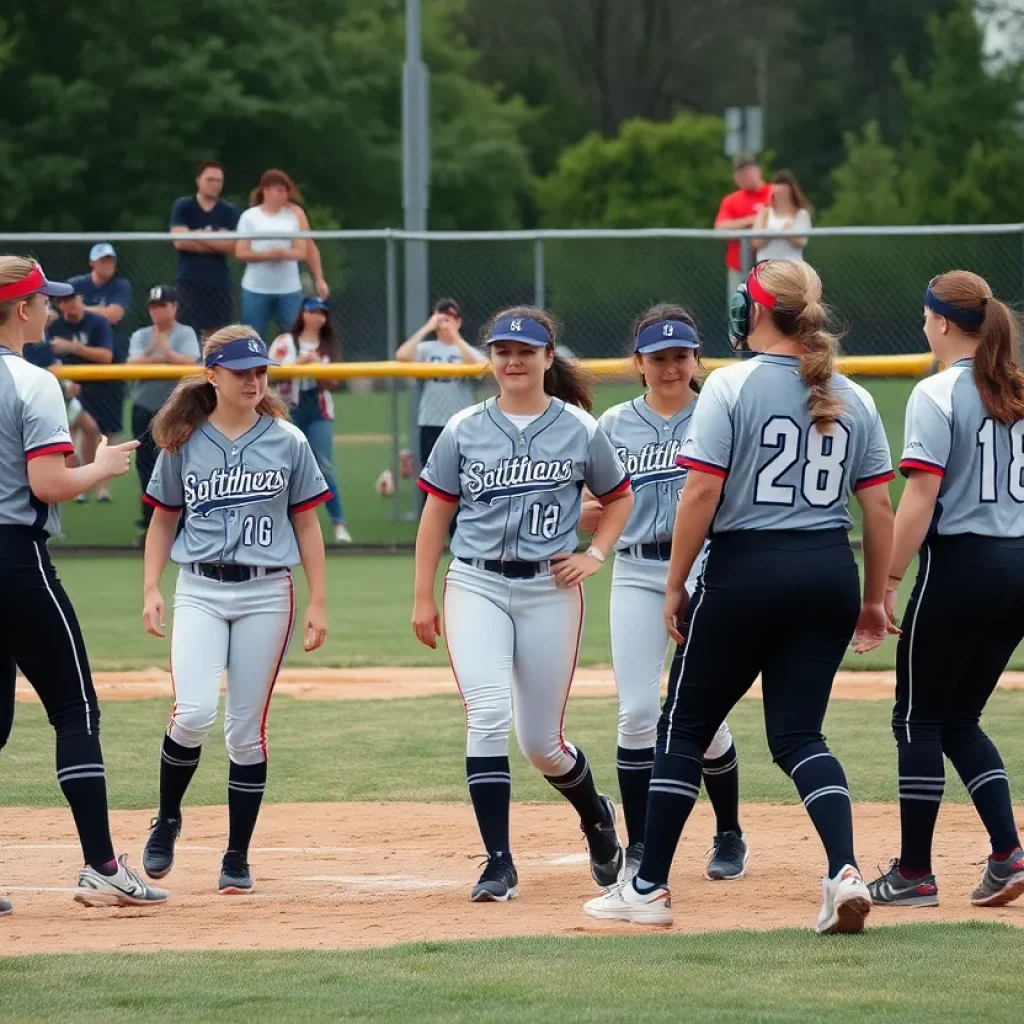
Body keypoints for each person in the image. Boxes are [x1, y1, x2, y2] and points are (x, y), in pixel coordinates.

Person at [584, 260, 896, 935]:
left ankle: (647, 888)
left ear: (754, 311)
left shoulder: (729, 385)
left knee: (683, 728)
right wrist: (875, 598)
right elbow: (877, 509)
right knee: (800, 736)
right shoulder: (854, 395)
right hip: (828, 572)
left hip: (748, 570)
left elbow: (700, 493)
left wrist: (674, 584)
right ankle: (843, 870)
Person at [412, 306, 633, 903]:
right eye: (503, 350)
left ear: (546, 356)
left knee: (541, 742)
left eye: (525, 351)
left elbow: (618, 498)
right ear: (490, 358)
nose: (513, 361)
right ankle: (498, 862)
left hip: (549, 589)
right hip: (476, 582)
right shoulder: (463, 427)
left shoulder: (579, 428)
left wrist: (597, 553)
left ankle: (595, 815)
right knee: (486, 714)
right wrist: (422, 596)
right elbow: (436, 513)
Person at [0, 256, 167, 914]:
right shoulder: (32, 382)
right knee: (74, 710)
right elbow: (46, 484)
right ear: (19, 310)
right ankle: (101, 865)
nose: (49, 308)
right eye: (41, 300)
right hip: (14, 556)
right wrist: (99, 468)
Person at [140, 325, 331, 895]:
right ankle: (168, 818)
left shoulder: (287, 439)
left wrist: (318, 598)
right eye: (240, 370)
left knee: (246, 732)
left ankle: (236, 854)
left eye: (260, 371)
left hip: (267, 590)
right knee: (192, 714)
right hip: (199, 586)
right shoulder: (182, 439)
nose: (253, 380)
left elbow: (306, 523)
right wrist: (151, 586)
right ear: (212, 375)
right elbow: (163, 518)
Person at [865, 271, 1024, 910]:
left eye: (927, 318)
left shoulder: (936, 393)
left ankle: (913, 873)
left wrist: (888, 582)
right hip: (1018, 567)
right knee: (959, 716)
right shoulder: (1016, 386)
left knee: (918, 717)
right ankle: (1009, 853)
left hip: (961, 566)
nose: (924, 327)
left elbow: (922, 495)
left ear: (943, 323)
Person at [584, 304, 746, 884]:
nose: (671, 367)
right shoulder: (612, 425)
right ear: (639, 363)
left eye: (681, 356)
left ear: (696, 359)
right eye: (659, 358)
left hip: (708, 567)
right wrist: (587, 518)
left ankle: (728, 831)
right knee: (635, 712)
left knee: (699, 716)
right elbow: (588, 506)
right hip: (634, 567)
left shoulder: (720, 412)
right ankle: (642, 845)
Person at [270, 296, 350, 543]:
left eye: (323, 312)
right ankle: (286, 526)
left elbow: (334, 383)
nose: (319, 316)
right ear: (303, 314)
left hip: (317, 409)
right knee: (286, 469)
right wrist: (297, 364)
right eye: (314, 311)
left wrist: (317, 367)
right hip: (289, 408)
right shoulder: (284, 342)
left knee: (323, 467)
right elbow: (269, 375)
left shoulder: (327, 346)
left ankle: (338, 523)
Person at [126, 286, 201, 530]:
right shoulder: (141, 334)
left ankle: (183, 520)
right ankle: (150, 519)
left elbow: (189, 362)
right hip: (144, 405)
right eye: (153, 306)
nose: (156, 311)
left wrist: (165, 349)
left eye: (162, 305)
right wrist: (158, 352)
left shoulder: (186, 332)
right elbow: (133, 363)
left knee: (180, 460)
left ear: (174, 307)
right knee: (146, 462)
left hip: (177, 408)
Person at [47, 287, 116, 501]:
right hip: (64, 386)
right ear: (60, 305)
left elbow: (106, 356)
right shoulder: (54, 325)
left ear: (81, 298)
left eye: (74, 298)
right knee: (69, 433)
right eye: (65, 300)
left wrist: (72, 347)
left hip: (98, 386)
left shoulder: (97, 322)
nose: (71, 304)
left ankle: (98, 487)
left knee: (100, 432)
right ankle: (76, 485)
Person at [68, 242, 133, 447]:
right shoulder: (76, 285)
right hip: (78, 363)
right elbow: (62, 312)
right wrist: (92, 311)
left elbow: (114, 315)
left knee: (110, 426)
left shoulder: (120, 286)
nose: (108, 264)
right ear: (92, 263)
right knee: (75, 421)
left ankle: (103, 477)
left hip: (111, 362)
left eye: (111, 260)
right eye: (103, 260)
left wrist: (80, 310)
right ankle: (77, 470)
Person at [235, 170, 309, 342]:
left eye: (285, 191)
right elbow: (241, 251)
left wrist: (283, 253)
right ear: (266, 191)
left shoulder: (293, 216)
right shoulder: (250, 216)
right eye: (279, 190)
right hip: (256, 289)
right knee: (253, 338)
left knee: (293, 336)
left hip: (289, 289)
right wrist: (266, 255)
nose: (284, 195)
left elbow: (301, 251)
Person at [169, 160, 241, 337]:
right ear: (198, 180)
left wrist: (195, 233)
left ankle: (213, 364)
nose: (215, 185)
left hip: (218, 282)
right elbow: (179, 241)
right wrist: (213, 236)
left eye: (219, 181)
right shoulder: (184, 206)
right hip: (189, 280)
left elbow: (230, 245)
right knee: (186, 330)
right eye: (210, 180)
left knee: (217, 334)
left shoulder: (228, 210)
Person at [714, 155, 773, 295]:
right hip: (739, 268)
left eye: (747, 172)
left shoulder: (773, 193)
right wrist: (752, 220)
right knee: (740, 310)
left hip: (770, 268)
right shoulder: (732, 200)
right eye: (739, 174)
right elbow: (720, 227)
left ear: (758, 171)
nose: (743, 177)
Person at [753, 170, 813, 264]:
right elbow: (756, 243)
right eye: (777, 193)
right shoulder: (765, 212)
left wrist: (789, 232)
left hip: (791, 265)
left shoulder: (801, 214)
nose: (780, 197)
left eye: (783, 193)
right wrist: (769, 234)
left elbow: (801, 242)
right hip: (766, 265)